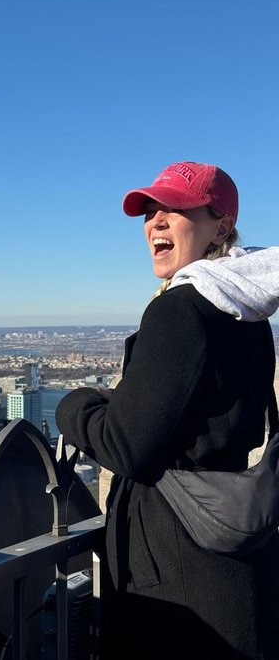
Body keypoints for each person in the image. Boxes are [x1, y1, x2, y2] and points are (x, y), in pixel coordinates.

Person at [58, 162, 279, 658]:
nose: (155, 222)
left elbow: (126, 446)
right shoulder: (245, 311)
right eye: (149, 212)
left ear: (221, 226)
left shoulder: (181, 308)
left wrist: (74, 407)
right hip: (231, 551)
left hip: (179, 573)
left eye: (174, 209)